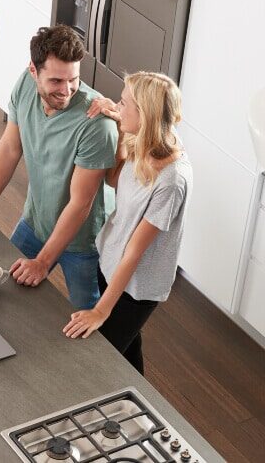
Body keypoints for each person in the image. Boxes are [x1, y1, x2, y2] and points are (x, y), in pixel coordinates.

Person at [0, 26, 117, 310]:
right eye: (56, 81)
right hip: (36, 219)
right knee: (1, 290)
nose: (66, 91)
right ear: (33, 71)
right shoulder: (25, 86)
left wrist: (42, 262)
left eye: (73, 80)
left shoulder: (96, 125)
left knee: (85, 319)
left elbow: (80, 205)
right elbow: (10, 147)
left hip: (83, 241)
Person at [62, 71, 192, 376]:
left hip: (137, 287)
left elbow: (135, 252)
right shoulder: (144, 139)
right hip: (110, 261)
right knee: (126, 350)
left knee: (99, 361)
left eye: (123, 103)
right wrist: (120, 129)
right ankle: (141, 413)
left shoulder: (172, 180)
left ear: (144, 114)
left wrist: (100, 311)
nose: (117, 106)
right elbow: (114, 179)